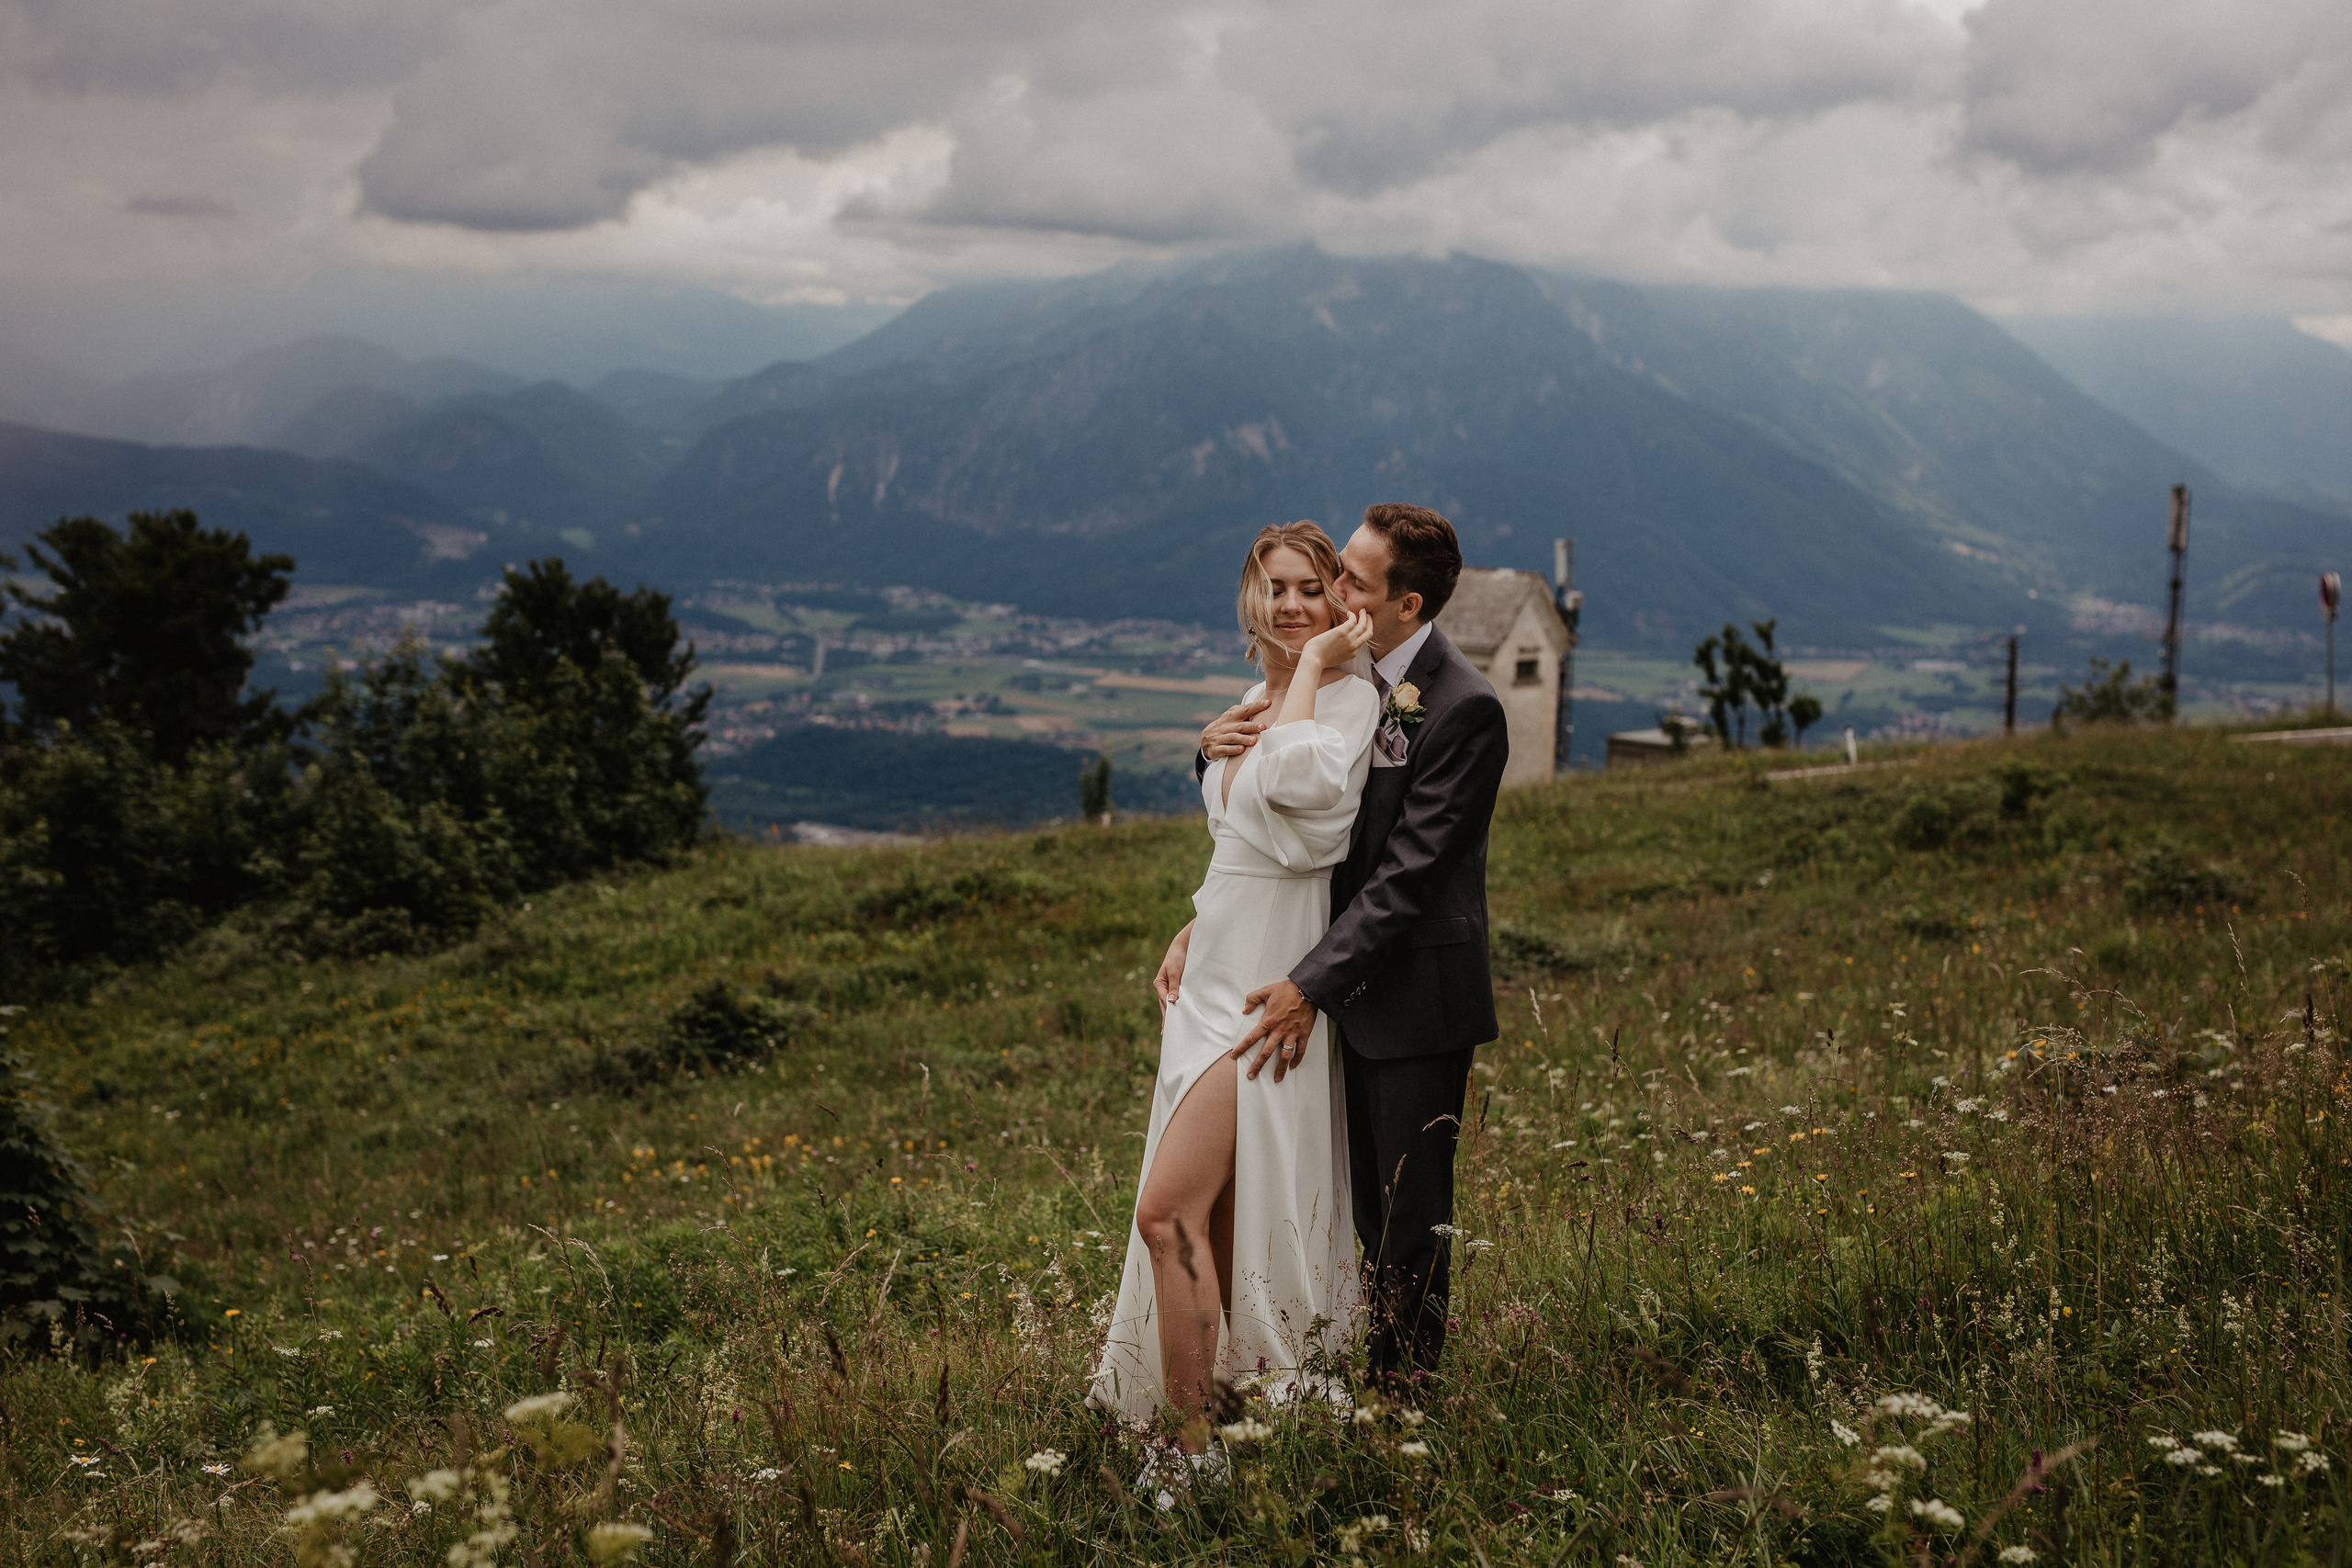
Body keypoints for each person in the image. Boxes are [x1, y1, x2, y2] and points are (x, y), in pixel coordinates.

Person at [1197, 502, 1508, 1394]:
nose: (1333, 591)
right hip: (1336, 989)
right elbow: (1294, 804)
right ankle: (1328, 1362)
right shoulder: (1344, 680)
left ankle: (1403, 1399)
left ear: (1405, 607)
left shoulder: (1463, 709)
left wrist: (1307, 985)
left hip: (1411, 1003)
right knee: (1338, 1205)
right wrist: (1203, 751)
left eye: (1352, 582)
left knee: (1405, 1217)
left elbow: (1405, 879)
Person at [1089, 521, 1379, 1450]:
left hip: (1269, 983)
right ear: (1249, 598)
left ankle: (1186, 1452)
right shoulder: (1254, 697)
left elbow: (1294, 788)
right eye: (1274, 588)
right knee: (1208, 1218)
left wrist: (1310, 670)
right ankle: (1206, 1410)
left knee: (1162, 1208)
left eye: (1309, 589)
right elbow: (1240, 840)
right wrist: (1192, 917)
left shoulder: (1346, 703)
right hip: (1212, 964)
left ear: (1340, 600)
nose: (1291, 606)